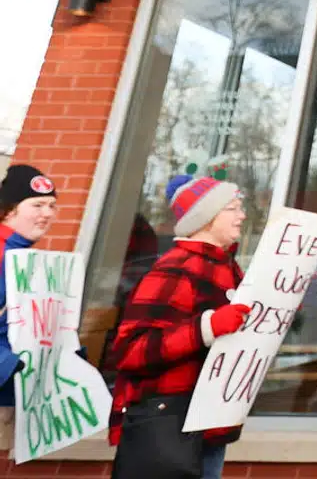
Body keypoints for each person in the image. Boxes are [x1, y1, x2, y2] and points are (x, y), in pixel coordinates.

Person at [110, 173, 249, 479]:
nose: (242, 216)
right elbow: (131, 350)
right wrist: (206, 328)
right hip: (168, 426)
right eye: (233, 208)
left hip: (207, 423)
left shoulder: (227, 267)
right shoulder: (177, 268)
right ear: (206, 217)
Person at [0, 164, 59, 406]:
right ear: (9, 210)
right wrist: (8, 364)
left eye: (52, 206)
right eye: (37, 205)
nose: (47, 213)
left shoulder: (25, 257)